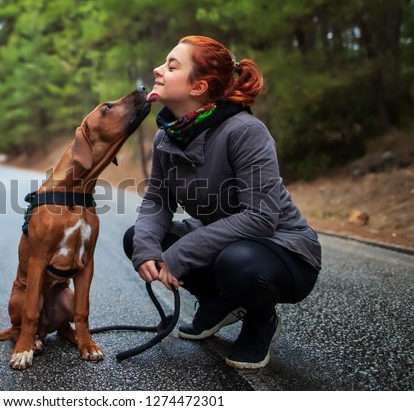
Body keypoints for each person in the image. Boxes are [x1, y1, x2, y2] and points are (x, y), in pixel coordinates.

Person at [123, 36, 321, 369]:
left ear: (198, 87)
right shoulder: (166, 136)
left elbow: (261, 217)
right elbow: (158, 200)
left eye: (172, 66)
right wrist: (146, 248)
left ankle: (261, 322)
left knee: (237, 263)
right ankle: (217, 302)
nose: (158, 70)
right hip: (225, 242)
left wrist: (182, 253)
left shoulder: (245, 130)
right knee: (138, 238)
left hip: (283, 250)